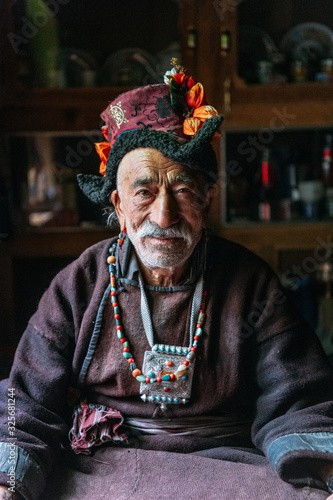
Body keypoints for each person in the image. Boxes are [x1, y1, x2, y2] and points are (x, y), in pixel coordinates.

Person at [1, 62, 333, 500]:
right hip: (108, 466)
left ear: (207, 199)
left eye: (181, 190)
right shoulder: (80, 283)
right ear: (118, 205)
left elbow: (299, 400)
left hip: (227, 465)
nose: (163, 216)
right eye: (144, 192)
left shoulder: (249, 282)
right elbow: (25, 403)